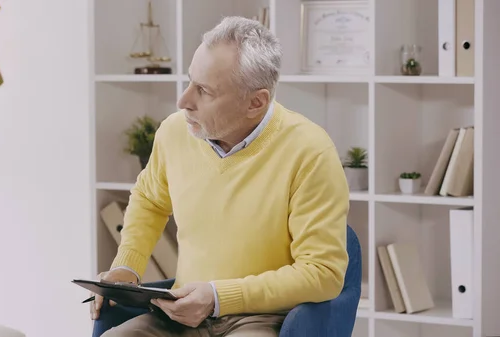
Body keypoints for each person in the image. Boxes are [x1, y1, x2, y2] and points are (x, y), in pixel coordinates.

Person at [91, 16, 350, 336]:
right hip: (178, 311)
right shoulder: (174, 132)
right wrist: (127, 266)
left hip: (258, 317)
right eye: (189, 82)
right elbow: (150, 199)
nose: (183, 101)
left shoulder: (310, 152)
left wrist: (217, 297)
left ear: (256, 102)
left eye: (204, 91)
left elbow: (323, 273)